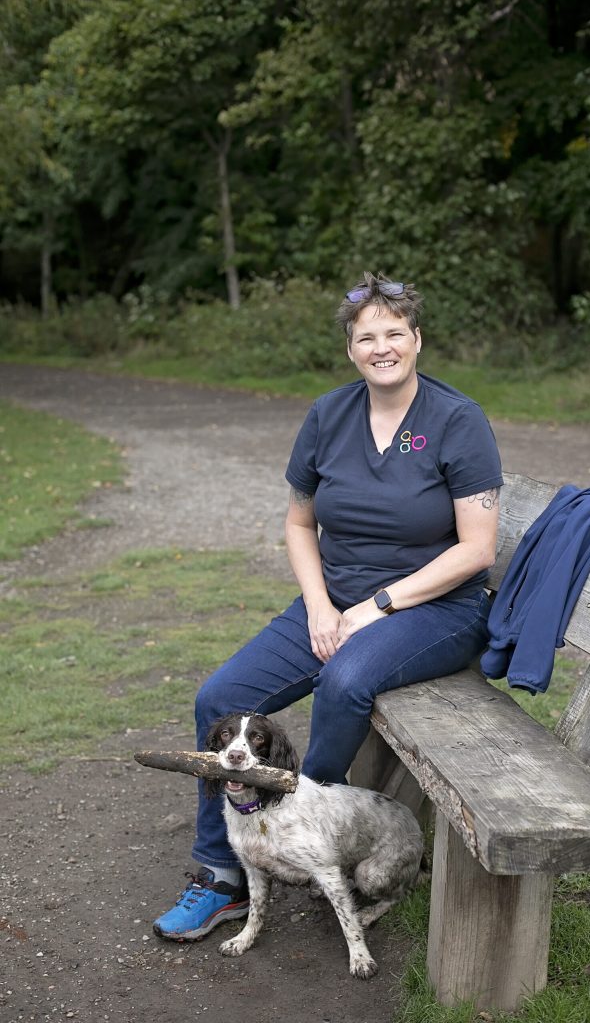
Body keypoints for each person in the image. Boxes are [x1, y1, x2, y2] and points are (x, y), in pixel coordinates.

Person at [153, 272, 503, 941]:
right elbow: (298, 523)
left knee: (344, 683)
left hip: (435, 609)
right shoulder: (328, 415)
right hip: (334, 600)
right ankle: (221, 876)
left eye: (394, 333)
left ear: (417, 339)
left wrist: (378, 604)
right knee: (217, 698)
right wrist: (318, 605)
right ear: (350, 348)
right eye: (366, 336)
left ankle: (297, 832)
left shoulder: (457, 421)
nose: (381, 347)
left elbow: (477, 550)